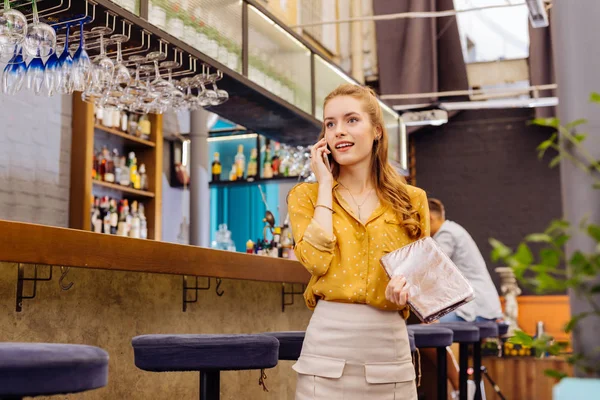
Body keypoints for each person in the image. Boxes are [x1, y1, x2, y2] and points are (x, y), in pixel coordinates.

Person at [287, 83, 429, 400]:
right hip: (326, 349)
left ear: (377, 131)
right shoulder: (305, 196)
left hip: (388, 349)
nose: (339, 131)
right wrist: (324, 185)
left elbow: (421, 282)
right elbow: (315, 261)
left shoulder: (412, 200)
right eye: (330, 123)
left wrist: (404, 293)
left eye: (351, 120)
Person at [428, 198, 503, 323]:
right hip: (485, 305)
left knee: (428, 326)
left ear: (429, 218)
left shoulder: (446, 234)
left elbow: (433, 269)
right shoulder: (453, 229)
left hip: (476, 308)